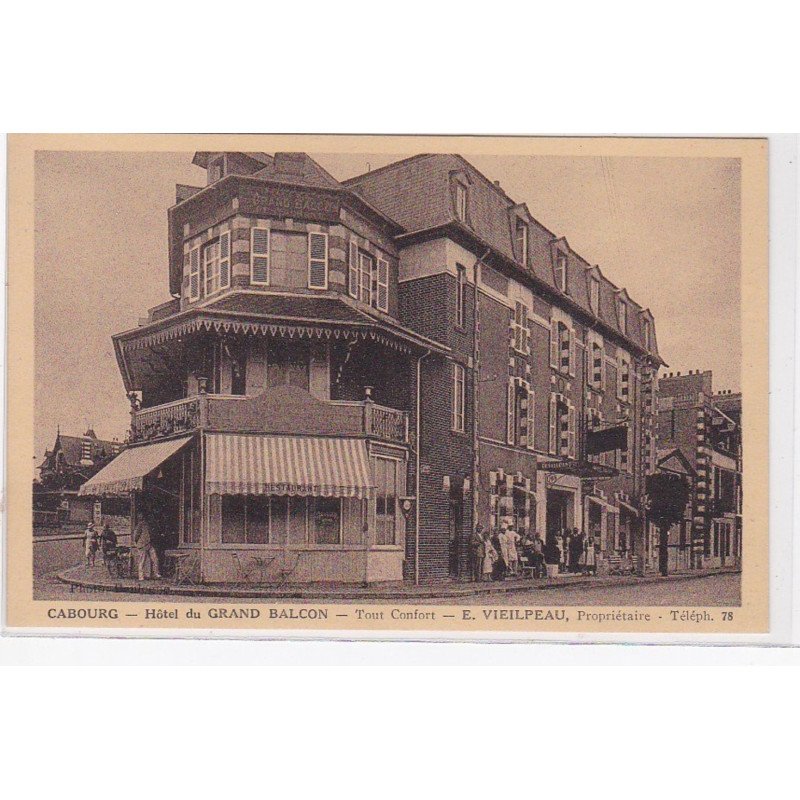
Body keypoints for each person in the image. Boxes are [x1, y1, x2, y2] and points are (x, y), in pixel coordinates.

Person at [133, 509, 161, 580]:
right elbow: (136, 536)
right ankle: (141, 576)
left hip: (149, 544)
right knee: (142, 561)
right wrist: (138, 543)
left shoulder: (148, 524)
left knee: (155, 559)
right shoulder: (140, 525)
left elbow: (151, 534)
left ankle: (156, 573)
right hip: (142, 545)